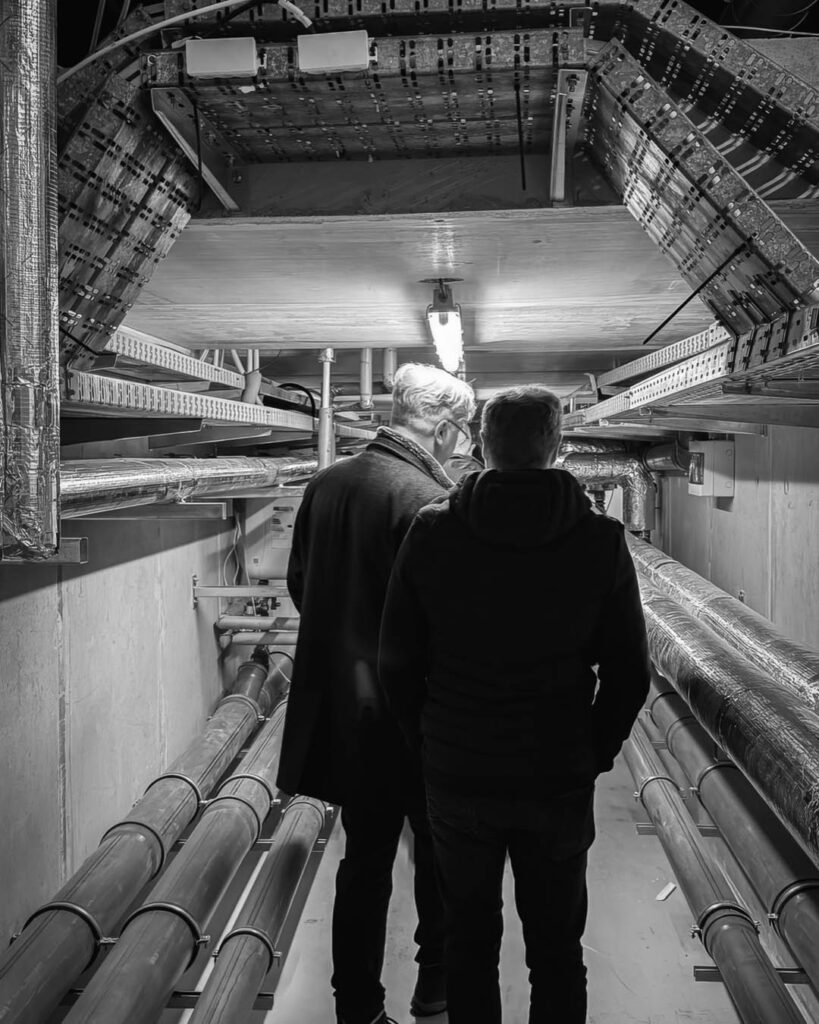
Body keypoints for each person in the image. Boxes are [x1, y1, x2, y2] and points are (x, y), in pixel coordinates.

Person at [378, 385, 651, 1024]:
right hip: (555, 773)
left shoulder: (434, 530)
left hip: (459, 772)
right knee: (557, 948)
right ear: (556, 446)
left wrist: (430, 742)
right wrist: (590, 752)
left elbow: (397, 661)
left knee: (469, 943)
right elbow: (629, 673)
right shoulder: (599, 539)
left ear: (480, 444)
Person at [277, 362, 476, 1024]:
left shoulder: (327, 483)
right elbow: (444, 624)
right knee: (439, 858)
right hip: (415, 717)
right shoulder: (425, 500)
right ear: (443, 427)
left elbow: (301, 585)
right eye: (464, 433)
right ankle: (436, 987)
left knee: (361, 865)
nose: (466, 445)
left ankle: (357, 1006)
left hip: (350, 709)